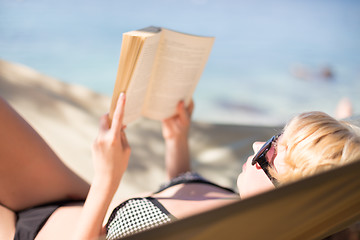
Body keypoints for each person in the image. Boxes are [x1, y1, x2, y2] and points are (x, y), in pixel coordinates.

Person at [0, 93, 359, 240]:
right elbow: (178, 201)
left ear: (287, 196)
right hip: (70, 199)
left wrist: (107, 178)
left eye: (268, 151)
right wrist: (177, 139)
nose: (254, 146)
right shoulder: (246, 212)